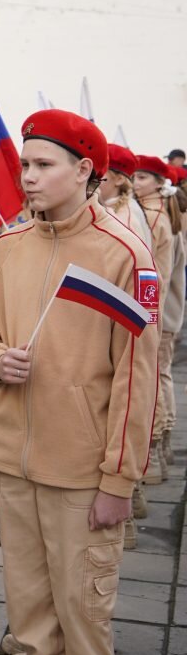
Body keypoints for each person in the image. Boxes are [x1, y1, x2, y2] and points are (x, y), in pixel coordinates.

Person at [0, 110, 158, 655]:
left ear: (84, 171)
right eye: (25, 164)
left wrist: (120, 481)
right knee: (28, 609)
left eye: (43, 165)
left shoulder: (124, 255)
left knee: (82, 611)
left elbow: (135, 378)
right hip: (12, 462)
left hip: (81, 469)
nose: (27, 176)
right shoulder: (7, 246)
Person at [134, 154, 176, 485]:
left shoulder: (154, 216)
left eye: (143, 177)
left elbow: (153, 274)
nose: (136, 182)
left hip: (155, 310)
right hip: (165, 309)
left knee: (153, 380)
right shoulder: (164, 210)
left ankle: (154, 451)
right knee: (160, 376)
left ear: (159, 182)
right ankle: (161, 451)